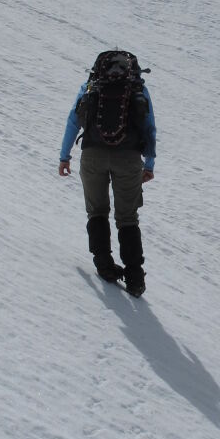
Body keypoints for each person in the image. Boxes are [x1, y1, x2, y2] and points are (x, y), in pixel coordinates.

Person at [59, 52, 156, 296]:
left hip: (93, 155)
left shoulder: (91, 86)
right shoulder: (137, 89)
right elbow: (149, 126)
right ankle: (135, 277)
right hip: (128, 158)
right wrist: (149, 163)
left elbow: (73, 121)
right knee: (128, 217)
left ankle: (104, 264)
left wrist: (65, 156)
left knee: (97, 210)